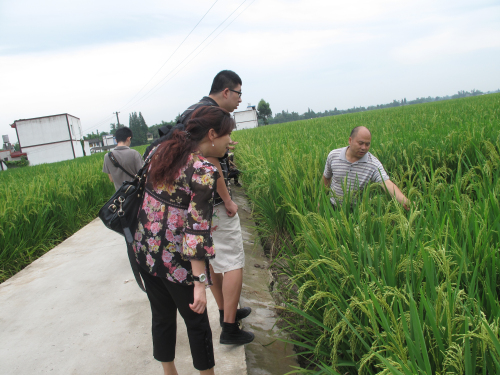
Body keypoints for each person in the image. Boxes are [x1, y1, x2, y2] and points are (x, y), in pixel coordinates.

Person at [143, 70, 253, 345]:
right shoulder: (208, 116)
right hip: (211, 202)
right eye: (239, 93)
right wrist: (228, 200)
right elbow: (210, 162)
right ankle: (229, 325)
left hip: (190, 212)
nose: (241, 100)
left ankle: (225, 311)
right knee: (234, 260)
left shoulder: (193, 111)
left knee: (213, 259)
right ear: (226, 92)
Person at [132, 106, 234, 375]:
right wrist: (200, 283)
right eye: (228, 135)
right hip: (176, 264)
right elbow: (196, 231)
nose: (231, 141)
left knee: (162, 317)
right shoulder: (202, 170)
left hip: (145, 251)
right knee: (197, 323)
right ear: (212, 134)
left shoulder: (161, 151)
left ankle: (169, 372)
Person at [322, 126, 411, 210]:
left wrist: (404, 200)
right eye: (360, 143)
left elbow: (386, 183)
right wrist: (320, 201)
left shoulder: (373, 164)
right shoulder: (333, 155)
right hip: (334, 208)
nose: (364, 148)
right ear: (350, 140)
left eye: (367, 144)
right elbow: (326, 177)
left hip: (358, 212)